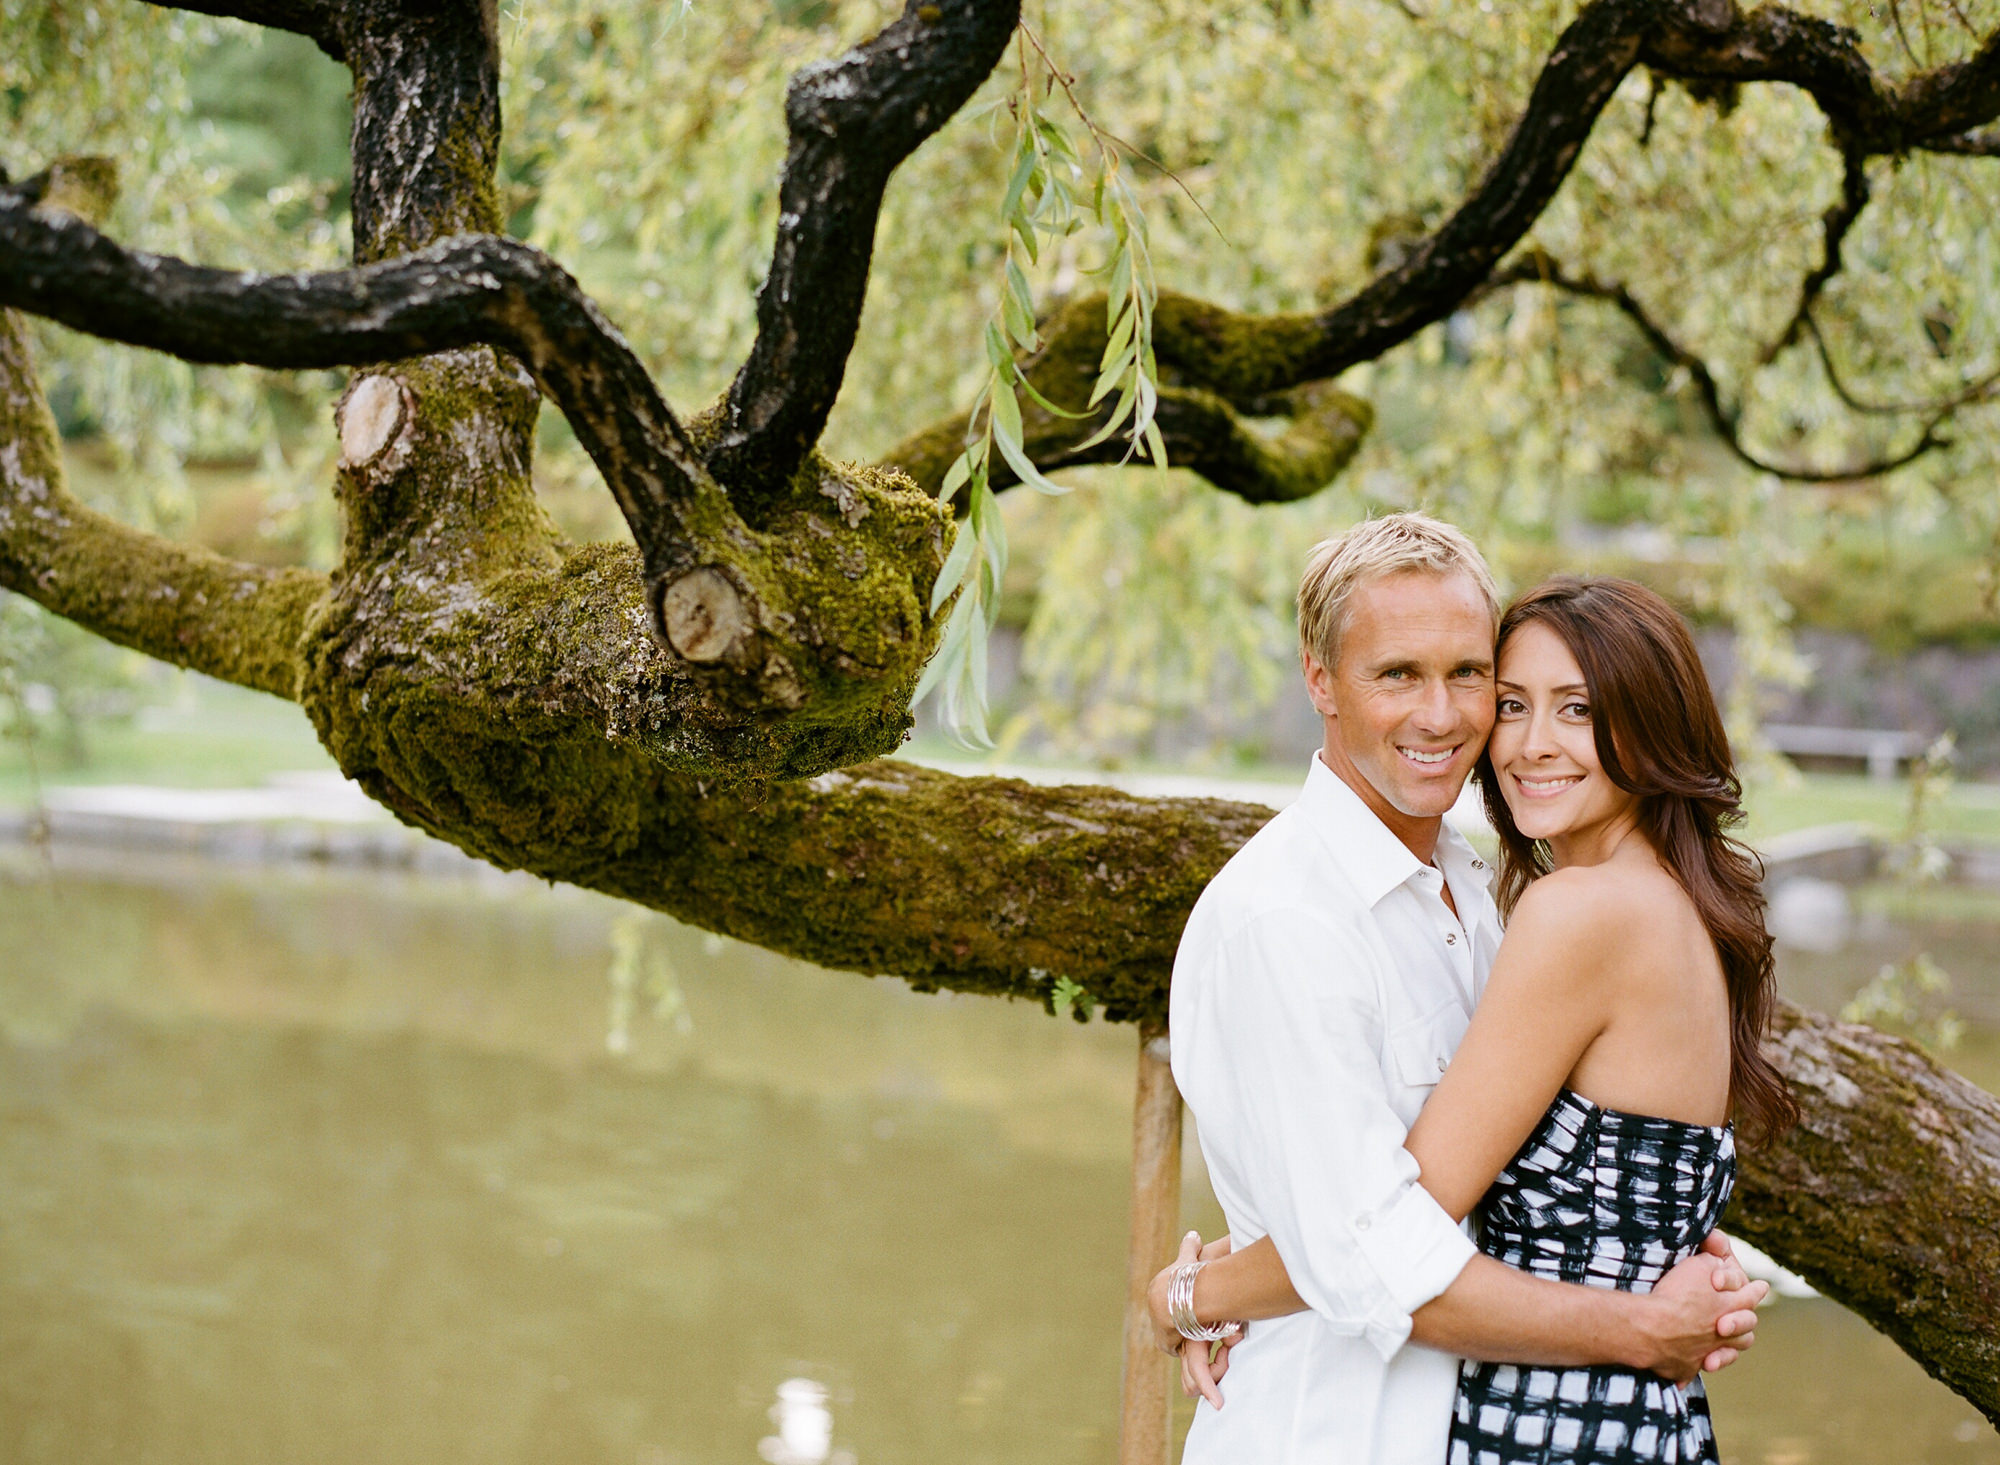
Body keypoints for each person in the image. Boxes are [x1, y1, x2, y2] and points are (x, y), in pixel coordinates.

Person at [1148, 519, 1778, 1465]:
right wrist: (1645, 1308)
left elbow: (1430, 1214)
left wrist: (1193, 1294)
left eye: (1471, 676)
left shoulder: (1502, 898)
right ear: (1320, 680)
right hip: (1329, 1434)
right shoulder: (1285, 916)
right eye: (1398, 674)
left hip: (1550, 1426)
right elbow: (1373, 1248)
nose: (1452, 719)